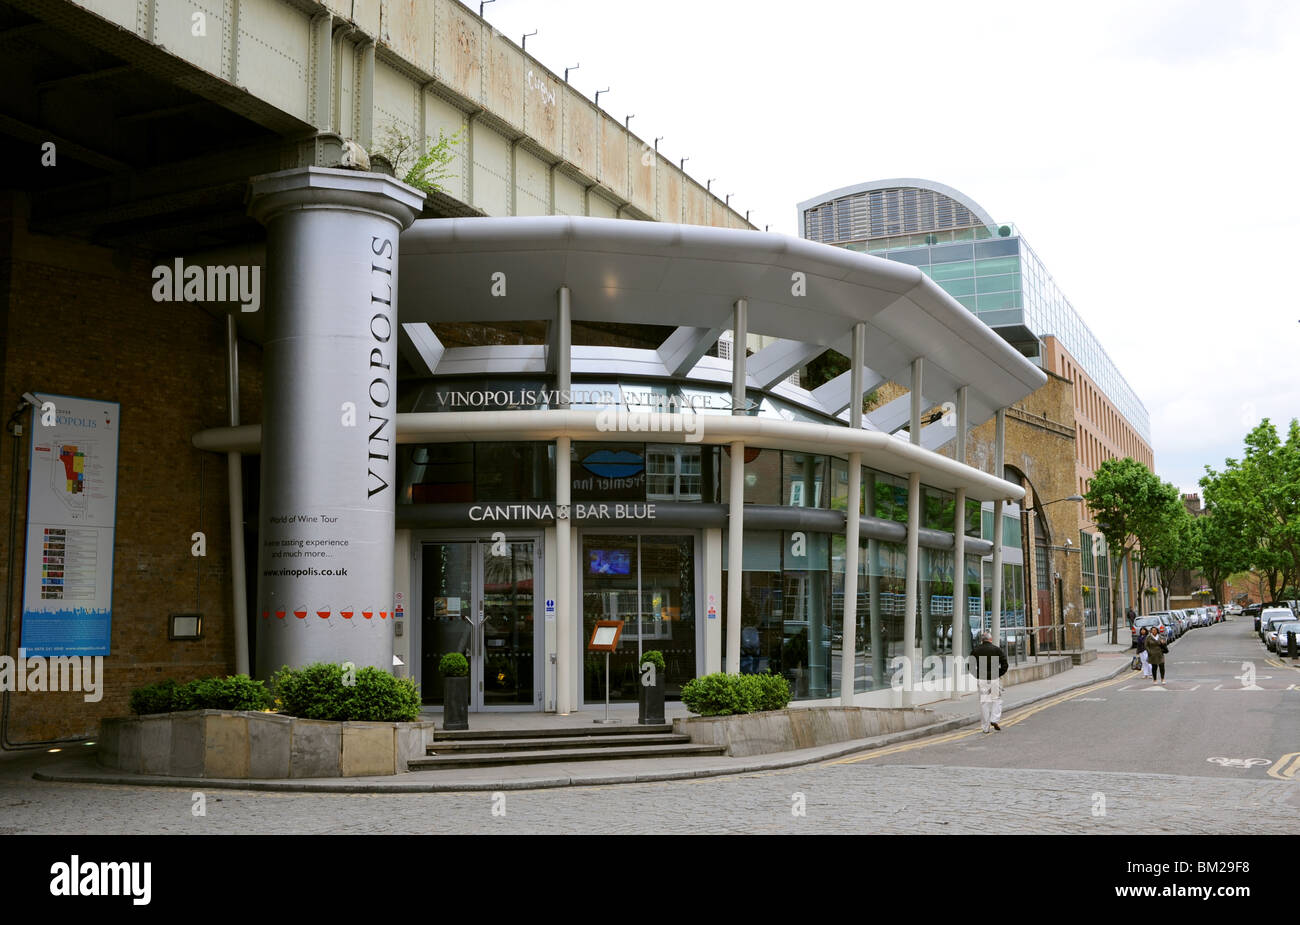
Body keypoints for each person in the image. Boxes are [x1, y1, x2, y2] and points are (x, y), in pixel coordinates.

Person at [971, 630, 1009, 733]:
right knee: (997, 700)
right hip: (994, 678)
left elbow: (970, 666)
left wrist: (977, 675)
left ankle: (985, 727)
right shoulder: (996, 650)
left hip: (982, 679)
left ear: (981, 640)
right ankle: (994, 719)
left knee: (984, 703)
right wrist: (999, 673)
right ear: (990, 639)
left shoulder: (976, 650)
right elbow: (1005, 664)